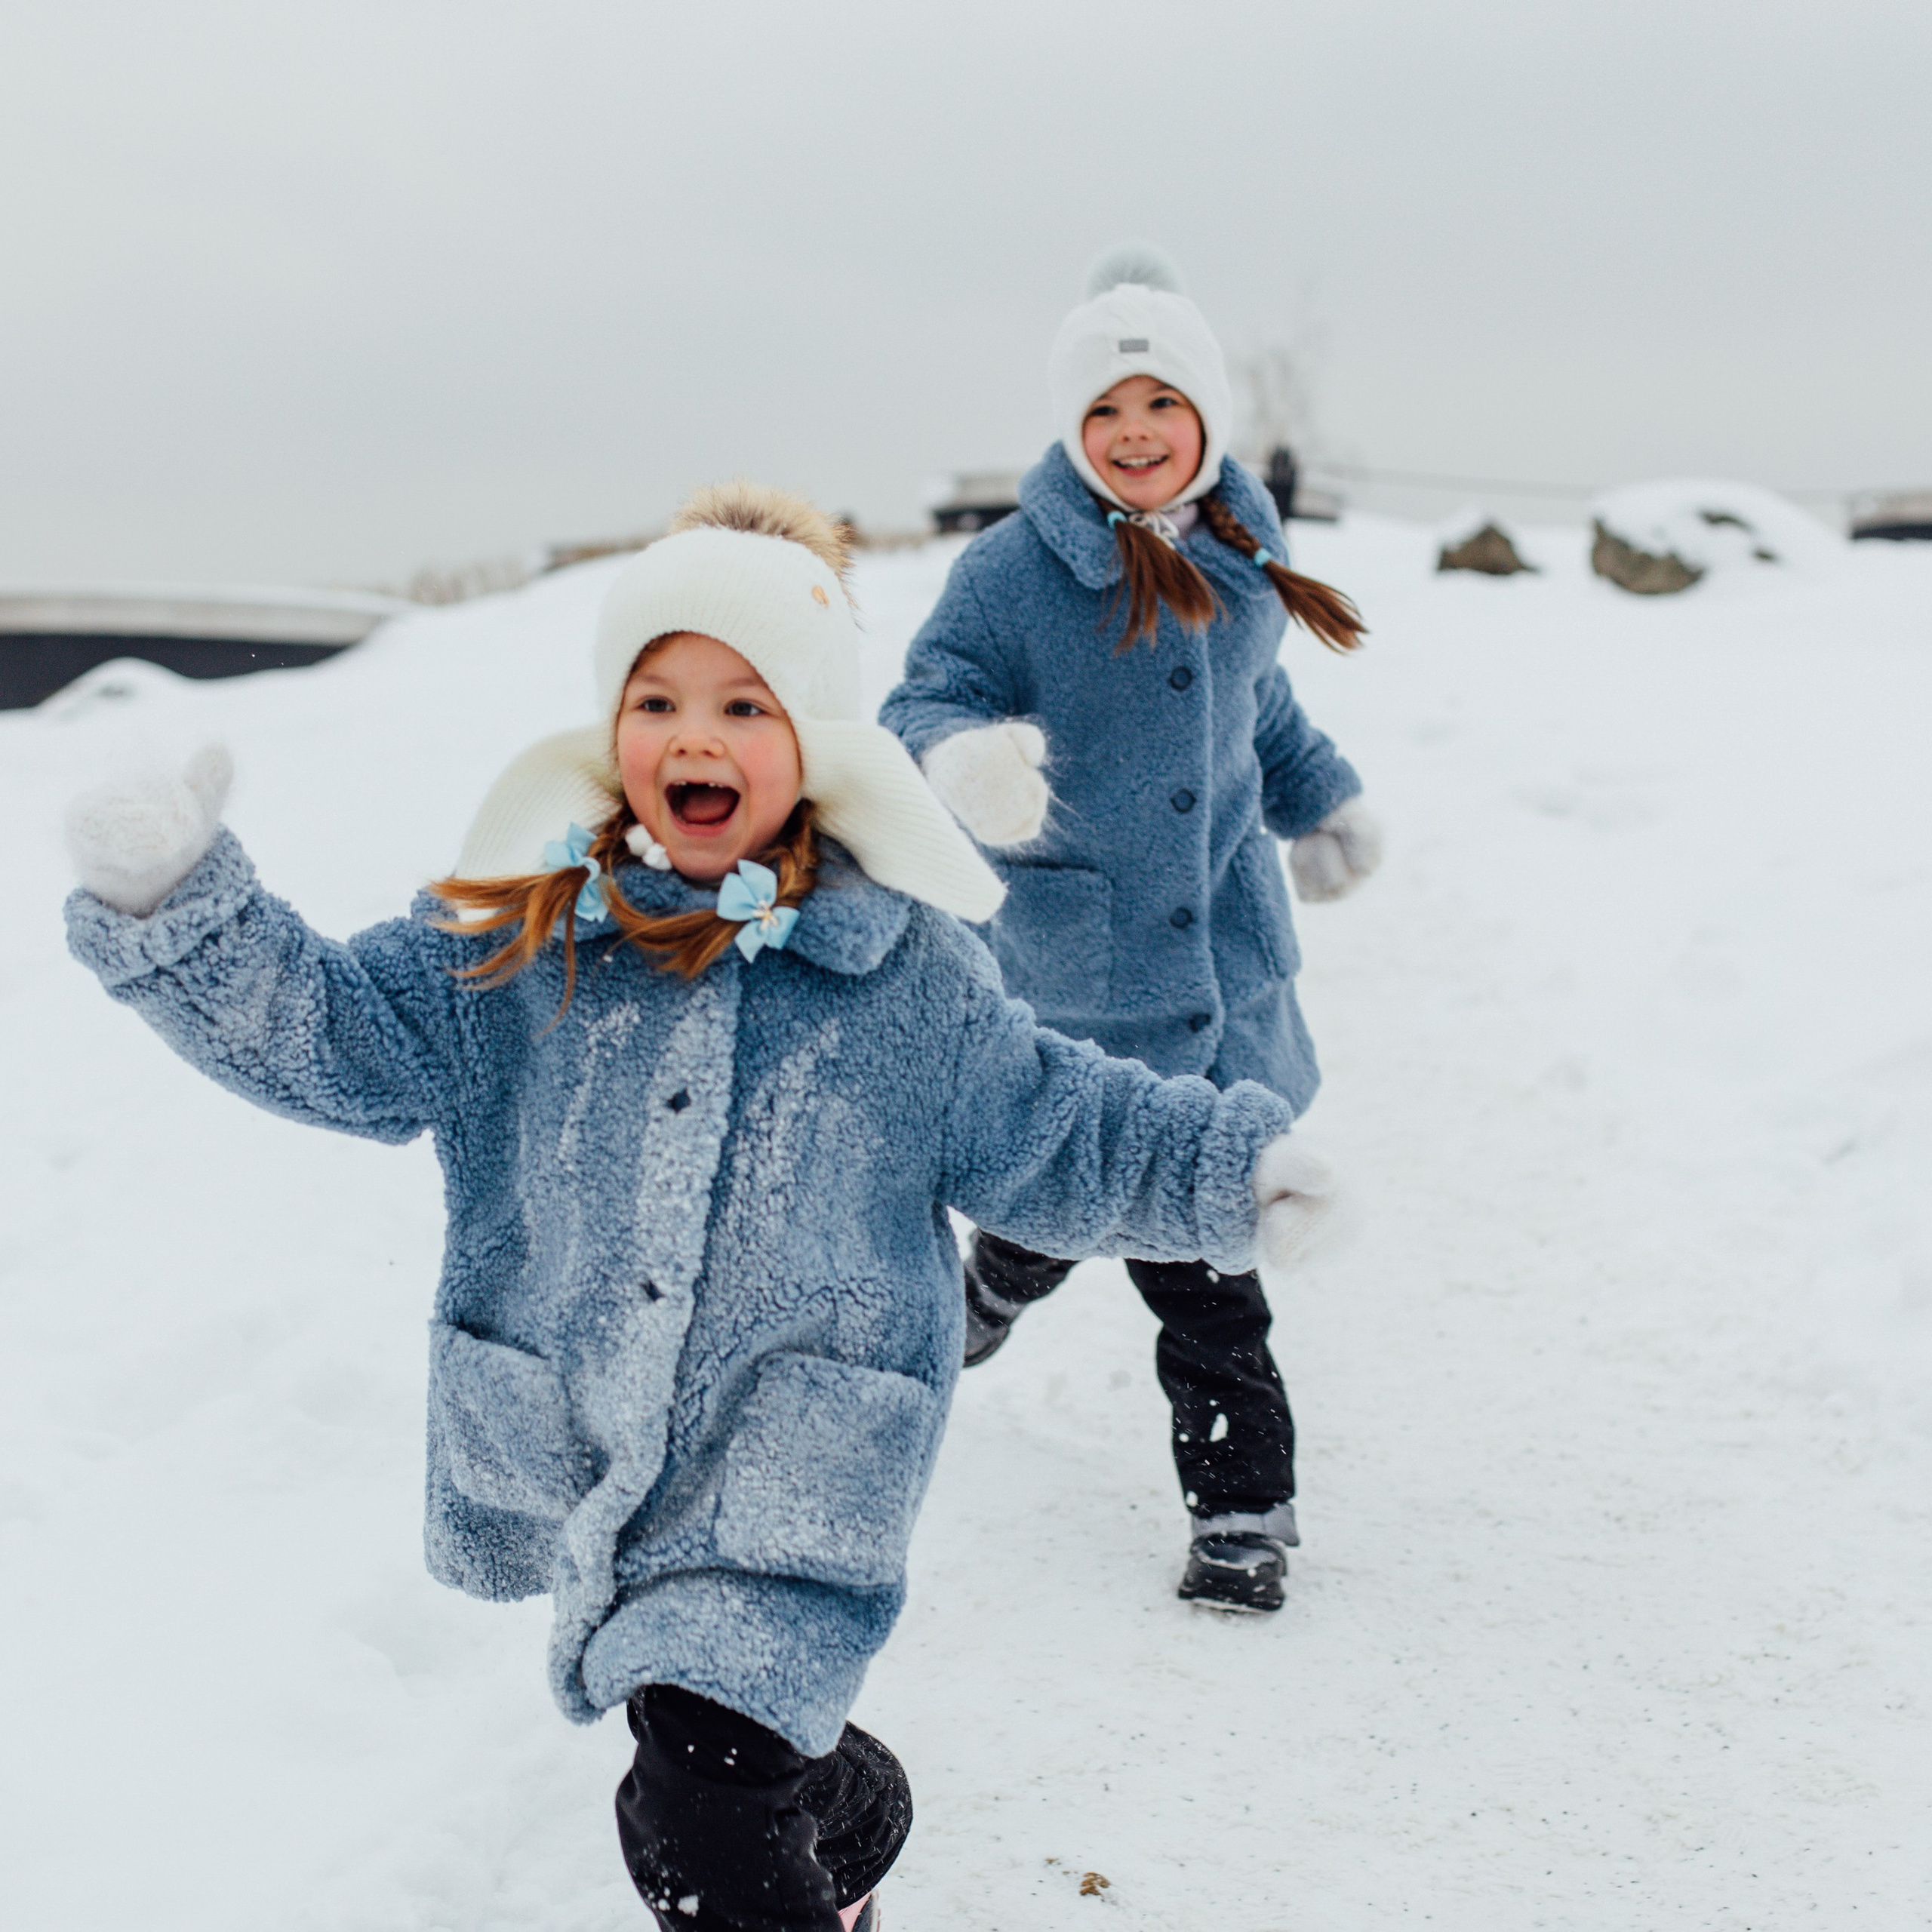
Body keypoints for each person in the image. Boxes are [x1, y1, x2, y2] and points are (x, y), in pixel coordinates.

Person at [63, 483, 1335, 1932]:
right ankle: (855, 1807)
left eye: (745, 704)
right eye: (657, 698)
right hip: (587, 1445)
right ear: (613, 733)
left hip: (798, 1472)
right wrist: (182, 909)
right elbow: (341, 1038)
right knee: (728, 1756)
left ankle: (798, 1827)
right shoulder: (522, 945)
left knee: (697, 1814)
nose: (696, 736)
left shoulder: (899, 981)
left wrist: (1226, 1170)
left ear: (814, 745)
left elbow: (1055, 1124)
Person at [880, 244, 1379, 1616]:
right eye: (1105, 413)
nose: (1135, 433)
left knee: (1205, 1268)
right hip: (1078, 978)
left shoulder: (1245, 555)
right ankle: (1003, 1275)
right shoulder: (1011, 573)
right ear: (1072, 431)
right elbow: (921, 697)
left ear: (1205, 420)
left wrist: (1317, 798)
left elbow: (1257, 710)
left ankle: (1241, 1514)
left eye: (1160, 406)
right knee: (1060, 1189)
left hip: (1218, 978)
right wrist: (965, 758)